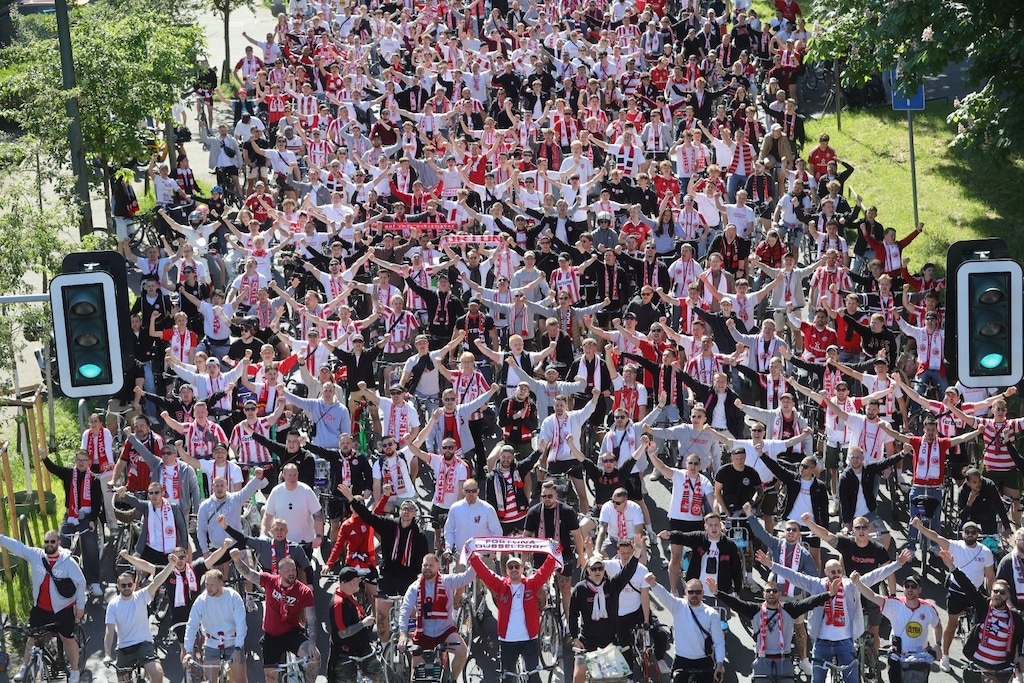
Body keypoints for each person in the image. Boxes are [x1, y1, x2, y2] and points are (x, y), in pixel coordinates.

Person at [755, 547, 911, 683]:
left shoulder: (851, 585)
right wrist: (770, 564)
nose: (836, 574)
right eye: (833, 572)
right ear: (825, 572)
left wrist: (897, 564)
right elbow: (794, 576)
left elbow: (875, 575)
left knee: (852, 680)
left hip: (845, 643)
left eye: (839, 571)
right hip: (822, 644)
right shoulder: (816, 584)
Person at [337, 484, 429, 642]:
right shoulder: (389, 525)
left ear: (415, 514)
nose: (406, 512)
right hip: (388, 577)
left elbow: (424, 562)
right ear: (399, 511)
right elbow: (369, 517)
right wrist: (352, 499)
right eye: (404, 508)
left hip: (409, 580)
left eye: (410, 509)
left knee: (414, 618)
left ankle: (410, 646)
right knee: (381, 619)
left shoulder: (420, 536)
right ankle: (386, 646)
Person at [711, 576, 836, 681]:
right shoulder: (755, 610)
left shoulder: (789, 609)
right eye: (768, 591)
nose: (771, 593)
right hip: (762, 661)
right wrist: (717, 593)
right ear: (763, 593)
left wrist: (829, 594)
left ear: (780, 594)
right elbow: (736, 604)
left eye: (775, 591)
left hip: (784, 660)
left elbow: (809, 602)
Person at [911, 517, 995, 671]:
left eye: (973, 532)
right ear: (962, 533)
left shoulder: (986, 552)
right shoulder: (955, 546)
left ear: (978, 534)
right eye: (967, 532)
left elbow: (990, 577)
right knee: (952, 623)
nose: (970, 534)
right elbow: (935, 537)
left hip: (975, 593)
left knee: (981, 625)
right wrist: (920, 527)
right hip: (956, 591)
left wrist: (993, 597)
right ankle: (945, 655)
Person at [2, 530, 86, 683]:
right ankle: (25, 665)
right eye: (46, 542)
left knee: (67, 639)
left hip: (63, 609)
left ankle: (74, 670)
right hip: (41, 608)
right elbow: (17, 546)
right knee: (32, 638)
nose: (49, 545)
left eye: (52, 542)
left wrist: (80, 607)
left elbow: (81, 582)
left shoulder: (68, 562)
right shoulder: (36, 555)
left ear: (58, 543)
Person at [229, 548, 320, 683]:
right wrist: (237, 560)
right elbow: (248, 573)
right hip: (272, 637)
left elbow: (312, 619)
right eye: (287, 571)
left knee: (314, 657)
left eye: (293, 570)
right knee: (271, 679)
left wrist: (312, 644)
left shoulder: (304, 591)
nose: (291, 573)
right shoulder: (270, 581)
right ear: (280, 572)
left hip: (292, 633)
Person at [470, 551, 559, 683]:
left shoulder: (531, 583)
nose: (514, 570)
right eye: (510, 567)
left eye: (517, 567)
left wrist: (554, 554)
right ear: (506, 570)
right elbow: (485, 574)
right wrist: (473, 558)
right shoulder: (501, 585)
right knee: (507, 678)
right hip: (508, 641)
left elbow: (544, 571)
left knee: (534, 677)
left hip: (529, 640)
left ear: (522, 569)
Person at [940, 550, 1024, 676]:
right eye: (995, 591)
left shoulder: (1015, 617)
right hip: (976, 667)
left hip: (1001, 670)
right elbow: (968, 587)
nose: (998, 595)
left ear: (1008, 596)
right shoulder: (983, 606)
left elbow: (1021, 641)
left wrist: (1021, 657)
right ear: (991, 593)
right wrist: (952, 567)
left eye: (1002, 592)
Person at [850, 573, 942, 683]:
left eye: (913, 586)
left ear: (920, 589)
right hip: (896, 658)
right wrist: (857, 582)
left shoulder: (929, 609)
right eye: (907, 586)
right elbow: (873, 596)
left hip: (919, 661)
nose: (910, 589)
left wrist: (938, 645)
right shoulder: (894, 604)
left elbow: (937, 626)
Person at [398, 554, 475, 680]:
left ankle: (453, 679)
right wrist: (403, 634)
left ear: (438, 566)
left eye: (431, 565)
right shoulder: (414, 587)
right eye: (425, 565)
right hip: (424, 634)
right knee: (415, 676)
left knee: (462, 652)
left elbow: (468, 577)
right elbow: (405, 610)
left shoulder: (447, 581)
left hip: (445, 631)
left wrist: (475, 558)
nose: (427, 568)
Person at [568, 553, 640, 683]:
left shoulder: (613, 584)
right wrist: (574, 638)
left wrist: (637, 553)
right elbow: (573, 615)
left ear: (604, 570)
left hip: (610, 641)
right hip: (587, 641)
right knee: (578, 675)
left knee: (618, 678)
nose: (597, 571)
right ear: (588, 571)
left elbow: (628, 571)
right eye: (593, 569)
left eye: (600, 568)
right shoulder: (580, 589)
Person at [40, 448, 103, 597]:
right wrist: (44, 458)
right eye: (78, 460)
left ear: (88, 462)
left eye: (84, 460)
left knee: (90, 545)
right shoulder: (69, 474)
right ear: (75, 461)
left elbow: (97, 504)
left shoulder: (94, 479)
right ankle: (61, 578)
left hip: (86, 517)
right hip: (70, 515)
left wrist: (93, 520)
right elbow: (53, 469)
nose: (81, 463)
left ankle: (93, 581)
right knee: (61, 544)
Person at [103, 556, 177, 683]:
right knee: (122, 680)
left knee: (157, 673)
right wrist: (107, 654)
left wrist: (171, 565)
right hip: (124, 648)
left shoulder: (141, 596)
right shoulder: (113, 604)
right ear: (118, 586)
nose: (127, 587)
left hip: (144, 645)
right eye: (123, 585)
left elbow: (157, 582)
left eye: (129, 584)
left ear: (134, 584)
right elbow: (109, 631)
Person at [643, 573, 725, 682]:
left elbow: (719, 641)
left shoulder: (711, 613)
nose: (694, 595)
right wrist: (653, 584)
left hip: (704, 661)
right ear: (686, 592)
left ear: (703, 593)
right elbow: (664, 595)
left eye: (698, 592)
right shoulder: (678, 605)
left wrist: (719, 664)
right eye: (691, 592)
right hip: (681, 660)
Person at [523, 480, 588, 619]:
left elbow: (577, 535)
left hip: (563, 555)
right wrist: (524, 561)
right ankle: (544, 618)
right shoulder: (534, 512)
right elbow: (526, 537)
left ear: (556, 495)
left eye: (550, 496)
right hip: (541, 556)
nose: (546, 499)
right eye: (544, 496)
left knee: (565, 588)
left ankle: (570, 625)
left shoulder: (567, 511)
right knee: (539, 589)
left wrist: (581, 556)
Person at [183, 569, 248, 683]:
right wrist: (188, 651)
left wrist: (238, 648)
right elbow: (192, 625)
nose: (209, 588)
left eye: (212, 585)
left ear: (221, 583)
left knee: (240, 680)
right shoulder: (201, 600)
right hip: (212, 643)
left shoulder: (233, 597)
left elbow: (241, 624)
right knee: (209, 680)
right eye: (207, 584)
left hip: (232, 641)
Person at [328, 566, 383, 683]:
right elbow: (342, 633)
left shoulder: (350, 595)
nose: (360, 582)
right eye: (358, 579)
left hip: (363, 649)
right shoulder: (338, 604)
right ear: (351, 582)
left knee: (379, 676)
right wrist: (363, 624)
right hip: (346, 655)